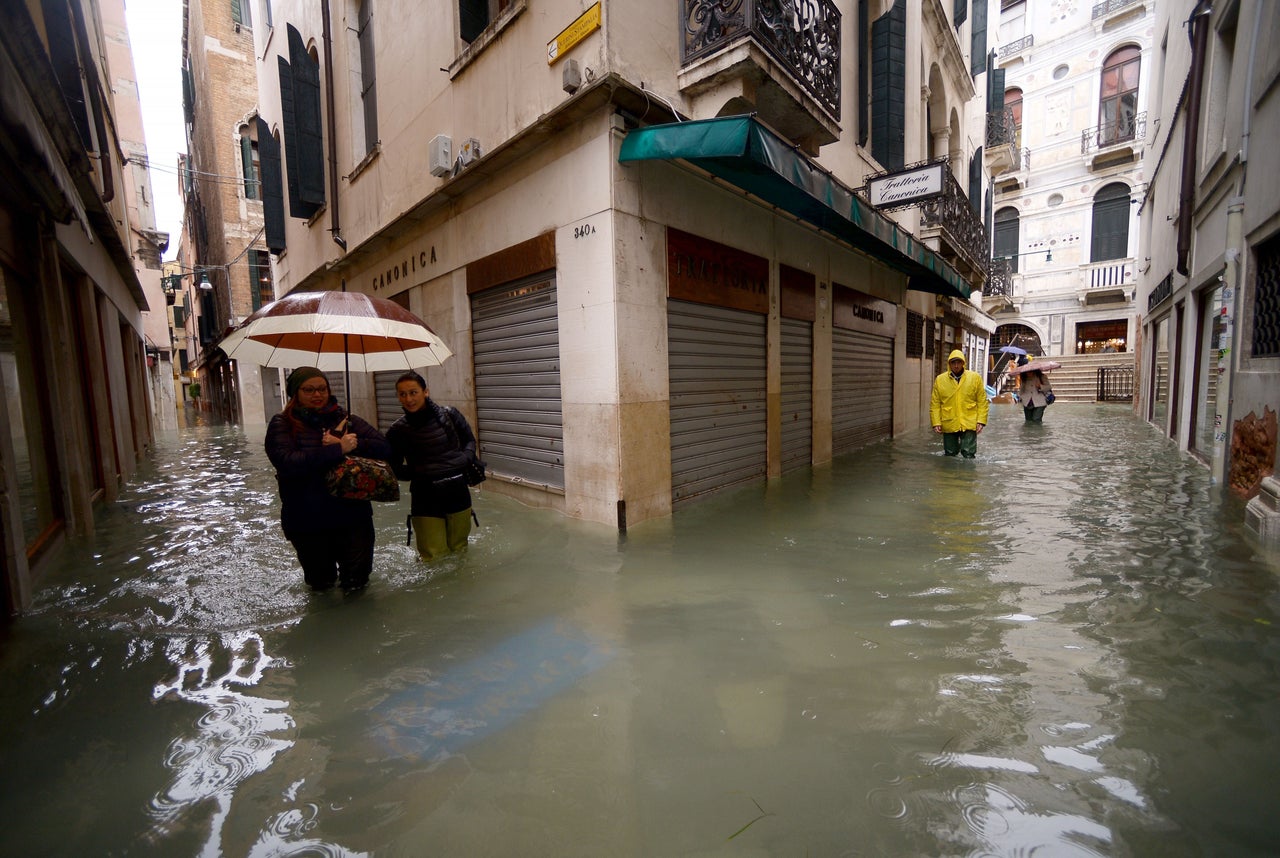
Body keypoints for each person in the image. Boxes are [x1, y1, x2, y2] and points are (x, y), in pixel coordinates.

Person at [265, 366, 392, 592]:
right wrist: (336, 451)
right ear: (296, 393)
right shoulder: (281, 424)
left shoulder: (345, 419)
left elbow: (385, 448)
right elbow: (287, 462)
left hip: (353, 517)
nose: (317, 395)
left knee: (357, 585)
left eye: (322, 389)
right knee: (321, 585)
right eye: (309, 390)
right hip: (307, 520)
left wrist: (355, 444)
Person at [386, 371, 479, 561]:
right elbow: (392, 467)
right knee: (433, 557)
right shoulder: (397, 430)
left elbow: (469, 440)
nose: (408, 399)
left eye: (413, 392)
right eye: (402, 394)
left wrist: (465, 459)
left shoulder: (450, 415)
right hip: (424, 496)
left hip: (457, 491)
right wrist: (421, 471)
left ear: (425, 392)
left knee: (460, 550)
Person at [930, 349, 989, 459]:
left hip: (969, 421)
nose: (956, 365)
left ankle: (967, 476)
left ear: (963, 363)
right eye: (953, 363)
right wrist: (936, 422)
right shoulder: (940, 380)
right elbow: (935, 403)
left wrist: (981, 421)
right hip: (949, 421)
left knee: (968, 453)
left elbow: (982, 401)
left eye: (959, 362)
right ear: (949, 364)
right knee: (950, 453)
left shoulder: (975, 378)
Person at [1017, 356, 1055, 423]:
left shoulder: (1042, 377)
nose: (1029, 373)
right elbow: (1022, 389)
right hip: (1027, 402)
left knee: (1036, 420)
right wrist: (1020, 397)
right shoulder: (1024, 379)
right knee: (1028, 421)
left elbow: (1049, 387)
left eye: (1030, 372)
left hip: (1040, 402)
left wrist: (1040, 386)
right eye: (1027, 372)